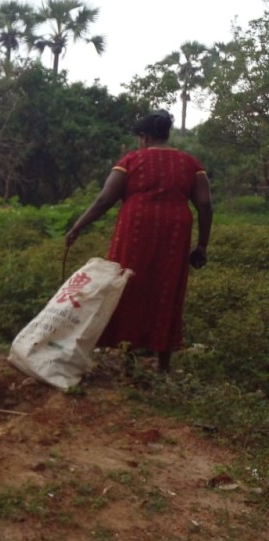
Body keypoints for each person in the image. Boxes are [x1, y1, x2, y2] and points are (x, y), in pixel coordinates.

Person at [66, 109, 213, 372]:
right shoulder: (191, 164)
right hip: (175, 233)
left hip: (136, 229)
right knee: (168, 289)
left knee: (127, 285)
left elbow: (104, 200)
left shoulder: (132, 160)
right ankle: (163, 366)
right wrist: (202, 245)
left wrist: (78, 226)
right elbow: (204, 204)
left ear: (143, 137)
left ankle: (127, 357)